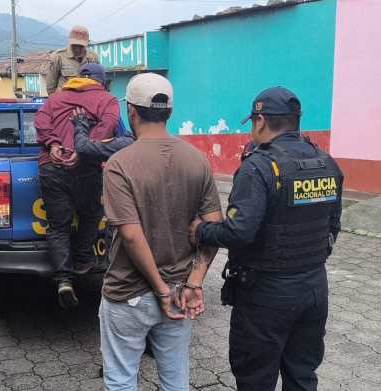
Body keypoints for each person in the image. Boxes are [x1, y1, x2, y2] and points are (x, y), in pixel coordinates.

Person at [189, 87, 344, 391]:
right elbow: (333, 227)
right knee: (302, 375)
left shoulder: (259, 167)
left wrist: (199, 231)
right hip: (314, 288)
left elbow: (239, 232)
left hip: (266, 295)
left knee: (256, 378)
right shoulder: (327, 163)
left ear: (260, 121)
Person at [100, 72, 223, 391]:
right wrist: (193, 283)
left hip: (128, 294)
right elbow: (214, 228)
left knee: (121, 378)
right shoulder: (198, 160)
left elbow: (130, 235)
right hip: (180, 290)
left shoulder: (119, 164)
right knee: (175, 378)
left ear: (132, 112)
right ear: (169, 112)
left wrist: (159, 289)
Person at [35, 63, 119, 309]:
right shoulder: (107, 100)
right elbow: (108, 127)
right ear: (101, 82)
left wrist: (52, 144)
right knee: (92, 214)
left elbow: (41, 121)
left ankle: (63, 280)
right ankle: (83, 260)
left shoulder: (56, 98)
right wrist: (82, 152)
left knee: (57, 225)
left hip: (51, 166)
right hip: (86, 169)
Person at [45, 26, 99, 95]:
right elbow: (50, 88)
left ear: (87, 43)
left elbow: (98, 82)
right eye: (74, 45)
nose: (77, 49)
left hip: (87, 101)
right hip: (65, 102)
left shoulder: (93, 57)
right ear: (70, 42)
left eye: (81, 46)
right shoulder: (58, 56)